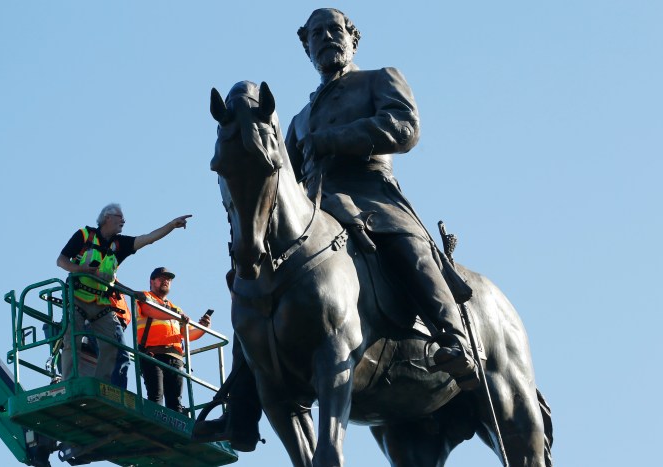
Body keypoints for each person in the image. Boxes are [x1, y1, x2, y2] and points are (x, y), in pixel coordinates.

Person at [194, 7, 479, 449]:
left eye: (334, 30)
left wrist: (333, 139)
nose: (326, 38)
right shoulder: (298, 118)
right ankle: (241, 409)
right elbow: (279, 178)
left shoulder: (379, 79)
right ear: (306, 47)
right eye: (316, 34)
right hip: (314, 211)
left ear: (352, 38)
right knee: (252, 296)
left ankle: (454, 340)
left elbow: (405, 127)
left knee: (408, 249)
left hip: (373, 196)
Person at [57, 203, 191, 382]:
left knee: (113, 345)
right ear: (107, 218)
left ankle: (102, 385)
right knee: (72, 342)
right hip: (77, 299)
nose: (124, 221)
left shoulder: (120, 245)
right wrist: (80, 269)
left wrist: (171, 225)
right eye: (120, 217)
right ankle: (69, 382)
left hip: (101, 303)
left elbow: (148, 238)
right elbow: (61, 260)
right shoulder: (84, 235)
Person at [135, 267, 211, 413]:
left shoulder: (175, 308)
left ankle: (176, 424)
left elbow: (188, 335)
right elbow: (150, 310)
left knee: (175, 402)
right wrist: (175, 315)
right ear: (152, 281)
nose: (166, 281)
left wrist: (203, 328)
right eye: (162, 278)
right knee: (156, 397)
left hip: (175, 358)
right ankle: (155, 422)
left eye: (168, 279)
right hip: (152, 354)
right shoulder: (145, 297)